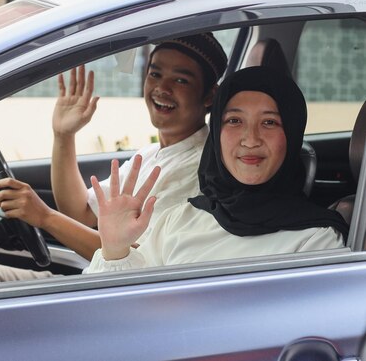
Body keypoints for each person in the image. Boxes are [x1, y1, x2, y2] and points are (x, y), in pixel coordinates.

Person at [0, 34, 228, 283]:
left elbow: (141, 258)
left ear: (209, 95)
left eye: (181, 80)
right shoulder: (150, 155)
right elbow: (82, 212)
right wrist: (64, 135)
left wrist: (45, 217)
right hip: (92, 279)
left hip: (109, 297)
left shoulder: (199, 170)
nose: (162, 88)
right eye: (155, 74)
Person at [85, 66, 348, 273]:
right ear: (216, 135)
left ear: (291, 135)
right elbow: (113, 309)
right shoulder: (179, 220)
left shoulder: (316, 239)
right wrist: (115, 250)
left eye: (269, 122)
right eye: (234, 121)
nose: (251, 139)